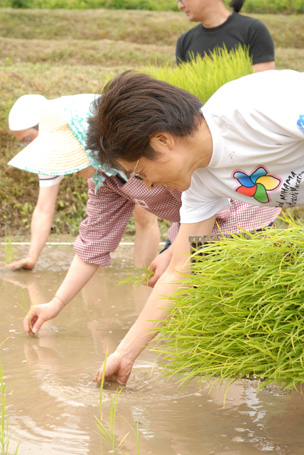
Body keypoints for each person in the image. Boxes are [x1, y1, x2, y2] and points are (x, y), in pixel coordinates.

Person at [77, 69, 304, 385]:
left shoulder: (253, 106)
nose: (149, 184)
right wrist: (125, 354)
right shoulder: (201, 183)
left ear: (162, 140)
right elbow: (180, 270)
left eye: (141, 172)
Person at [7, 94, 160, 270]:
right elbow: (43, 208)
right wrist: (31, 257)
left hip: (127, 141)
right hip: (105, 161)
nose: (28, 146)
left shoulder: (83, 124)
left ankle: (144, 278)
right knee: (97, 221)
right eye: (22, 143)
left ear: (43, 126)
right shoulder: (48, 154)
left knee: (144, 211)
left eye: (27, 139)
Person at [176, 0, 275, 72]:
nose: (180, 6)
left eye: (182, 0)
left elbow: (263, 86)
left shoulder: (253, 30)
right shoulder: (184, 41)